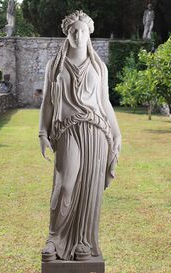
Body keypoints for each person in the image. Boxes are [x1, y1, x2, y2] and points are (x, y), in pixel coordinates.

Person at [39, 10, 121, 262]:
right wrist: (42, 131)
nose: (77, 34)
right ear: (67, 33)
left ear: (89, 33)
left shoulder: (99, 66)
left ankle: (84, 241)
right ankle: (55, 239)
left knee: (90, 190)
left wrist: (117, 134)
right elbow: (48, 103)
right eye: (73, 31)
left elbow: (105, 103)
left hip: (96, 130)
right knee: (65, 186)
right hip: (66, 130)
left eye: (82, 30)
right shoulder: (55, 65)